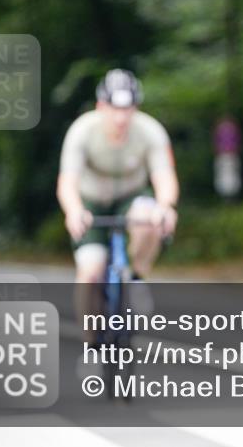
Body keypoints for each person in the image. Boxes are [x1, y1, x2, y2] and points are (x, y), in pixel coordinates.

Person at [57, 69, 179, 345]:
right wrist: (74, 210)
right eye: (114, 109)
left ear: (135, 108)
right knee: (90, 272)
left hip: (130, 198)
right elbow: (67, 182)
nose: (121, 117)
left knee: (149, 219)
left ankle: (136, 278)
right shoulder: (81, 131)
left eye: (128, 109)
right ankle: (90, 344)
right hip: (91, 202)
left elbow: (164, 177)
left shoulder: (150, 131)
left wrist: (166, 206)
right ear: (101, 106)